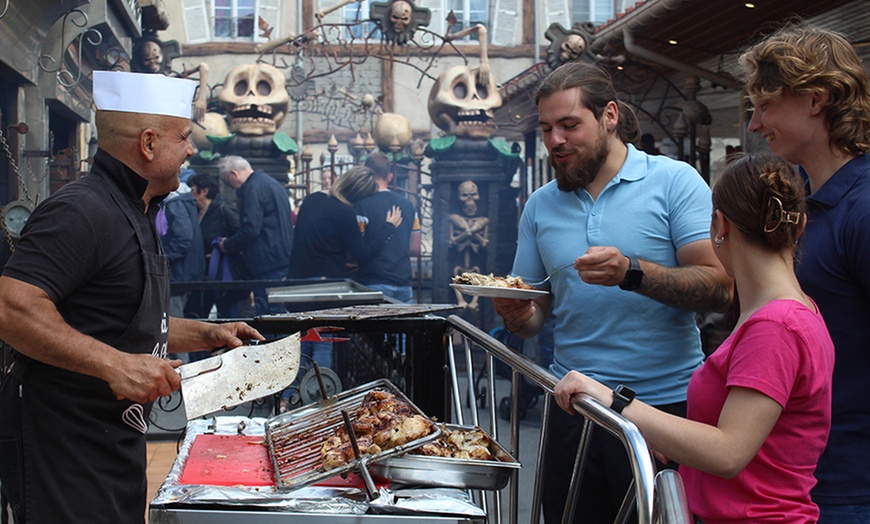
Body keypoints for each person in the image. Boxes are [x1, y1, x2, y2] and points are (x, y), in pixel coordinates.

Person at [0, 70, 263, 523]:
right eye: (183, 138)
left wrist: (205, 334)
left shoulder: (138, 209)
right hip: (64, 443)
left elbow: (121, 318)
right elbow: (11, 306)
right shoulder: (82, 209)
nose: (190, 151)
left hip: (113, 440)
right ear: (147, 144)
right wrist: (115, 365)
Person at [492, 62, 732, 524]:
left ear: (610, 116)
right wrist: (515, 315)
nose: (556, 140)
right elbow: (535, 312)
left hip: (664, 408)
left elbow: (720, 287)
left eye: (569, 125)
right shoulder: (540, 204)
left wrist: (633, 272)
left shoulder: (674, 181)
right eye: (546, 129)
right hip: (573, 407)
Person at [555, 152, 835, 522]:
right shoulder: (793, 312)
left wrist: (611, 400)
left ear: (719, 225)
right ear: (798, 227)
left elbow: (728, 452)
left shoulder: (775, 326)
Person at [740, 25, 870, 523]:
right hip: (803, 477)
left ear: (815, 99)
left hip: (850, 485)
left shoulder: (861, 209)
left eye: (765, 105)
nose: (755, 124)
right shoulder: (801, 198)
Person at [288, 166, 403, 280]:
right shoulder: (345, 212)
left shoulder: (310, 200)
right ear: (359, 195)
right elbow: (361, 254)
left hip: (297, 275)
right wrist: (388, 228)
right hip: (326, 278)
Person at [217, 155, 294, 316]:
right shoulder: (272, 183)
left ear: (234, 174)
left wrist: (228, 245)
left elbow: (250, 229)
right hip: (281, 257)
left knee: (268, 313)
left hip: (266, 260)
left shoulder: (252, 189)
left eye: (227, 181)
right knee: (278, 311)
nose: (231, 188)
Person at [354, 151, 421, 303]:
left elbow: (356, 250)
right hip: (403, 283)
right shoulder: (408, 206)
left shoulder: (361, 206)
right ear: (389, 177)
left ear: (366, 175)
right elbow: (415, 249)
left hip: (373, 282)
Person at [186, 172, 241, 319]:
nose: (191, 195)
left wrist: (224, 249)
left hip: (221, 273)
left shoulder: (224, 210)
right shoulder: (194, 212)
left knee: (226, 313)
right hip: (201, 274)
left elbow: (240, 236)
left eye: (193, 190)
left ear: (204, 191)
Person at [159, 171, 205, 320]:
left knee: (173, 320)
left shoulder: (175, 203)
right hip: (186, 272)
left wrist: (163, 258)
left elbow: (183, 238)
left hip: (178, 273)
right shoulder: (185, 201)